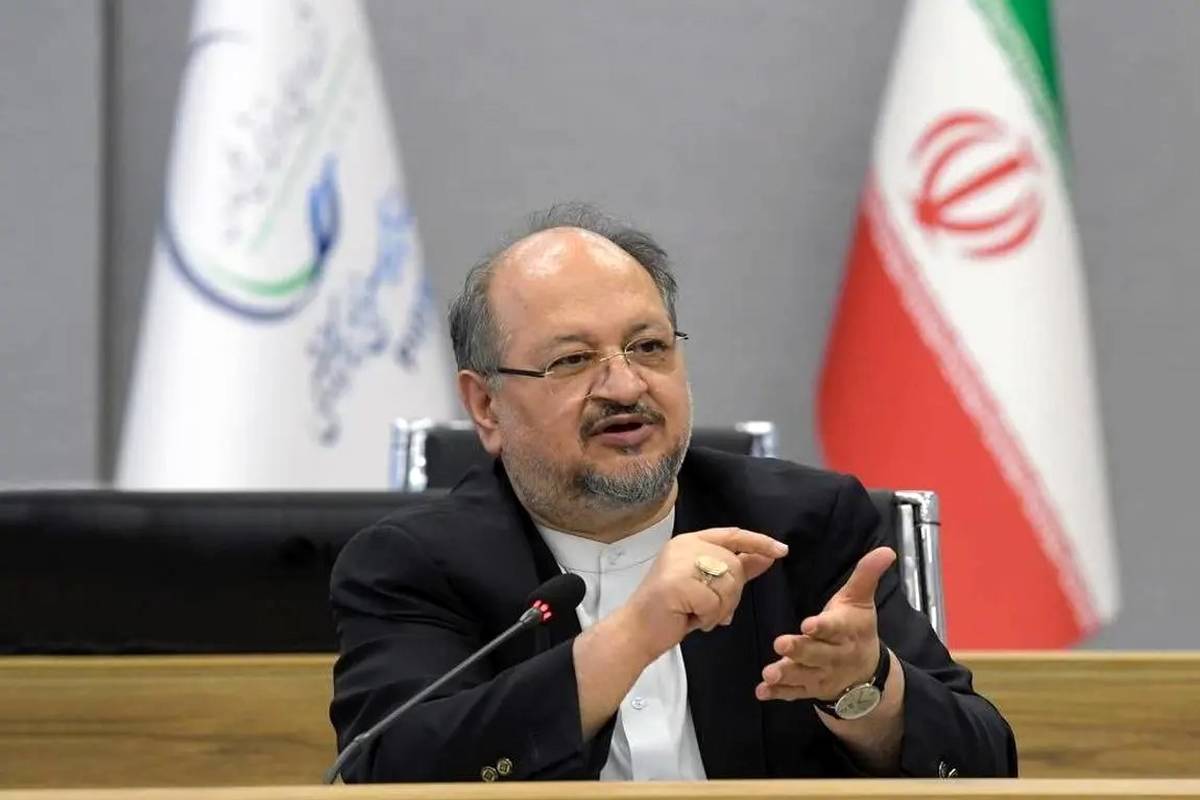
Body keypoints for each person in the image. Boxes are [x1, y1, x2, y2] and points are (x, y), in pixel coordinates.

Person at [329, 203, 1017, 782]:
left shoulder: (803, 527)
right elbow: (384, 776)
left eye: (650, 347)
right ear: (486, 406)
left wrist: (866, 689)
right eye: (573, 359)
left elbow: (987, 769)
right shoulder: (414, 566)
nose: (625, 385)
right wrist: (632, 636)